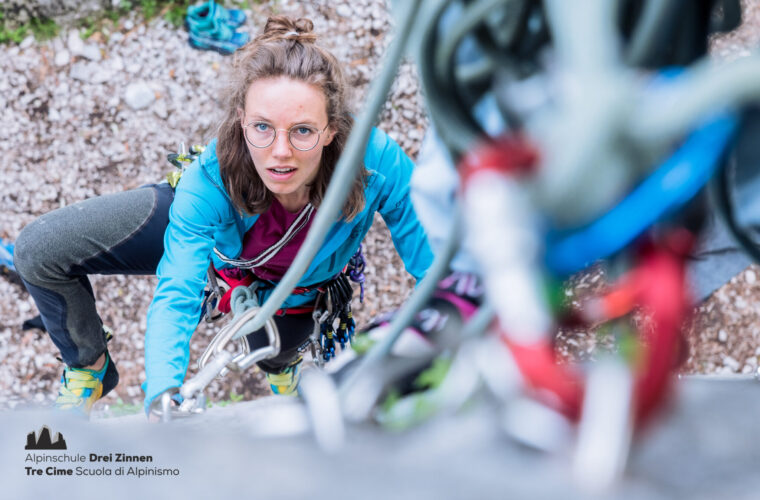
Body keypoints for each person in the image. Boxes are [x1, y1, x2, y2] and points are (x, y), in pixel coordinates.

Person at [13, 15, 433, 416]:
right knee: (39, 250)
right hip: (216, 235)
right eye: (262, 127)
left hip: (298, 283)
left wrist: (440, 350)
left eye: (303, 130)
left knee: (278, 351)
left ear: (332, 130)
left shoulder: (375, 164)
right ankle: (89, 368)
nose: (280, 152)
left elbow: (437, 266)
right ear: (241, 121)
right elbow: (177, 288)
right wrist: (162, 390)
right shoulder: (211, 176)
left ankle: (281, 369)